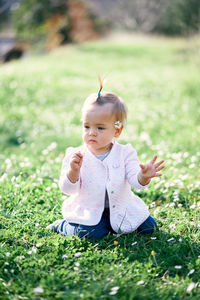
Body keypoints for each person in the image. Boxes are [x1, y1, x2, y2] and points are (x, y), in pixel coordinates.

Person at [47, 79, 165, 239]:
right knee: (90, 234)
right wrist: (73, 172)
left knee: (150, 228)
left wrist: (143, 177)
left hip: (123, 208)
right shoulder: (75, 155)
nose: (92, 132)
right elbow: (68, 189)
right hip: (89, 210)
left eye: (100, 128)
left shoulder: (125, 153)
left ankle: (111, 225)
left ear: (117, 131)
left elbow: (135, 182)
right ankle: (63, 226)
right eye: (87, 126)